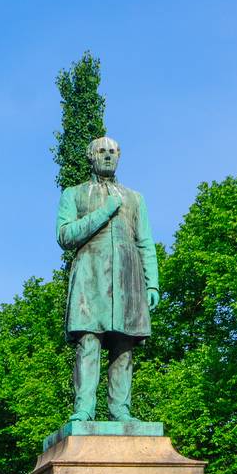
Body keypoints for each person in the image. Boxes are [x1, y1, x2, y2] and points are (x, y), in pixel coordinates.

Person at [57, 136, 159, 425]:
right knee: (89, 341)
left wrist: (152, 283)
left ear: (119, 156)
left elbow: (146, 243)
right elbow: (65, 236)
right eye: (101, 151)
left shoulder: (135, 198)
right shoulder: (74, 194)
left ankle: (120, 410)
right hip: (90, 277)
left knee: (124, 346)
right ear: (91, 156)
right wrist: (104, 212)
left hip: (128, 279)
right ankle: (84, 408)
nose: (107, 156)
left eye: (112, 152)